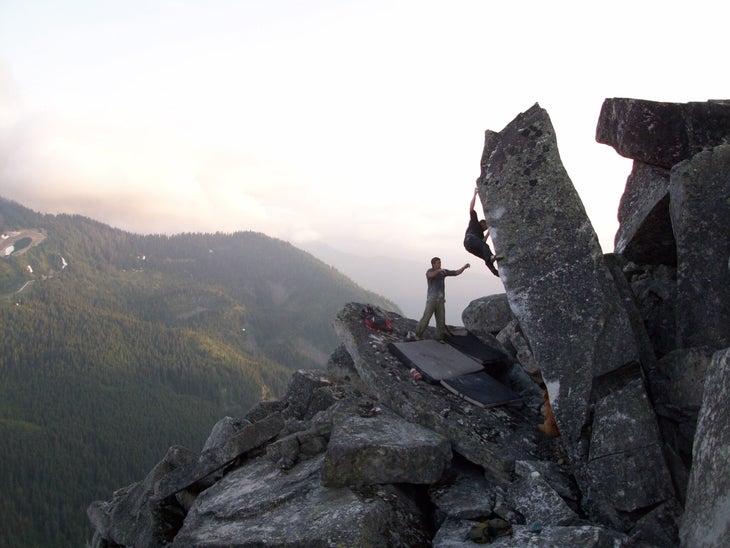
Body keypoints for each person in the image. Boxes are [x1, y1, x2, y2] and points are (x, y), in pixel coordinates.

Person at [414, 257, 470, 342]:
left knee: (441, 320)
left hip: (440, 300)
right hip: (432, 300)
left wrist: (463, 268)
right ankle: (418, 335)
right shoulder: (430, 271)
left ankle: (439, 337)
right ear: (433, 264)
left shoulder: (443, 272)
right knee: (426, 318)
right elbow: (430, 275)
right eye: (437, 263)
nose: (439, 264)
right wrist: (438, 271)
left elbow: (455, 273)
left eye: (440, 262)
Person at [464, 187, 502, 277]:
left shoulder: (481, 234)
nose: (486, 228)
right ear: (482, 223)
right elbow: (471, 208)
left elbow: (482, 241)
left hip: (469, 246)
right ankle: (491, 257)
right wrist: (474, 195)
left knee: (484, 255)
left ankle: (495, 272)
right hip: (470, 239)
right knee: (485, 247)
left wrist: (489, 232)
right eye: (486, 225)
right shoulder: (475, 222)